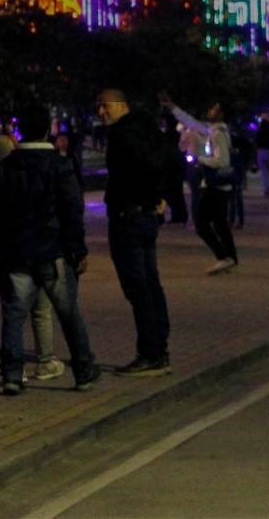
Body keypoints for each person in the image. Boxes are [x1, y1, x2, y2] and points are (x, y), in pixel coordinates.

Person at [0, 104, 98, 395]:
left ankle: (12, 374)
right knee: (68, 313)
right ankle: (84, 372)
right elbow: (72, 210)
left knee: (14, 314)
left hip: (15, 250)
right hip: (53, 250)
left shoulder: (6, 168)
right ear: (48, 129)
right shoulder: (60, 166)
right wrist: (78, 249)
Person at [97, 88, 173, 376]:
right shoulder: (149, 128)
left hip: (128, 217)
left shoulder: (122, 134)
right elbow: (169, 160)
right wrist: (160, 194)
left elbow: (138, 168)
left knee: (138, 287)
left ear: (121, 105)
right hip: (146, 216)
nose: (101, 113)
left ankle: (150, 351)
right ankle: (159, 347)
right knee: (151, 284)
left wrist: (148, 193)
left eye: (105, 106)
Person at [168, 98, 239, 273]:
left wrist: (198, 160)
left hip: (214, 186)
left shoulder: (216, 133)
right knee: (220, 223)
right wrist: (172, 107)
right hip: (221, 186)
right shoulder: (215, 130)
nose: (210, 111)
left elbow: (222, 161)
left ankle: (222, 257)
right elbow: (190, 121)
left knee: (201, 224)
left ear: (221, 114)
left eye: (214, 109)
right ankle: (230, 258)